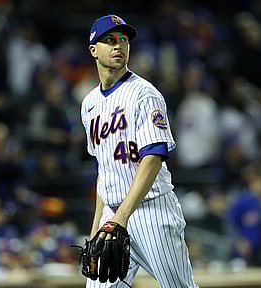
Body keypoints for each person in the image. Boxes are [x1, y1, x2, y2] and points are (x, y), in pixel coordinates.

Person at [80, 15, 198, 287]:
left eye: (123, 40)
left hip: (151, 211)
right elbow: (104, 169)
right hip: (113, 214)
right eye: (109, 40)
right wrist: (99, 224)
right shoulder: (89, 104)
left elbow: (153, 159)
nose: (118, 45)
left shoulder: (144, 94)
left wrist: (121, 218)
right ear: (93, 50)